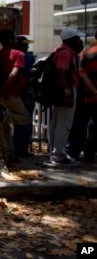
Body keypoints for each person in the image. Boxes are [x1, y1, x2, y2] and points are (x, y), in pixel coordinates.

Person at [45, 27, 84, 167]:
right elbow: (61, 72)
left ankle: (55, 153)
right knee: (64, 124)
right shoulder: (66, 53)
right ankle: (58, 156)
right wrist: (67, 91)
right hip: (64, 91)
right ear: (72, 40)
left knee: (56, 123)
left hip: (58, 91)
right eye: (77, 38)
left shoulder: (59, 51)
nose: (79, 41)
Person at [0, 29, 30, 167]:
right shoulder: (19, 54)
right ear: (11, 40)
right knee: (25, 117)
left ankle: (9, 155)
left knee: (4, 129)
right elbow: (14, 74)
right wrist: (3, 90)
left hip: (0, 94)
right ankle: (3, 116)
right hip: (9, 94)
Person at [13, 35, 36, 158]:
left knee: (17, 121)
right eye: (24, 44)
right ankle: (21, 148)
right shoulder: (27, 57)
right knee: (25, 120)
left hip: (14, 92)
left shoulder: (10, 55)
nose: (27, 46)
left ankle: (17, 147)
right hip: (26, 92)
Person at [78, 29, 97, 163]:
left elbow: (82, 74)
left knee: (94, 125)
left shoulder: (86, 53)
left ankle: (89, 152)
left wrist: (94, 91)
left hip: (91, 97)